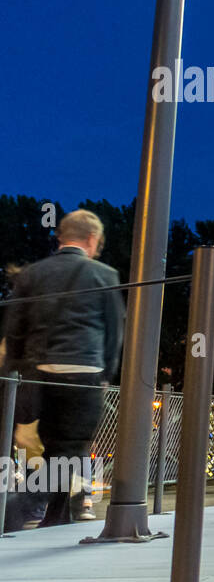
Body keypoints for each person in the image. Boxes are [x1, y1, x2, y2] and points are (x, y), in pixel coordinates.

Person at [1, 209, 124, 526]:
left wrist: (16, 371)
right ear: (92, 239)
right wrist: (106, 374)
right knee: (71, 450)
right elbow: (114, 332)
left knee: (55, 448)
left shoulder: (32, 274)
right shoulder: (104, 275)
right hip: (82, 372)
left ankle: (56, 518)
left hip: (37, 374)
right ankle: (20, 506)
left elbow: (15, 326)